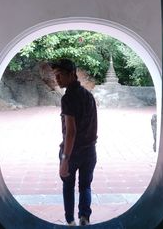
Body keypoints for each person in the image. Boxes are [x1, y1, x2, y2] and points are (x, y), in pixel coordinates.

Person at [50, 58, 98, 226]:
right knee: (85, 186)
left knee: (68, 187)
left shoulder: (68, 98)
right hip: (90, 151)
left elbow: (70, 133)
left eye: (60, 75)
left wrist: (65, 159)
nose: (57, 79)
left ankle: (70, 221)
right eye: (55, 75)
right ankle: (84, 217)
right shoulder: (88, 95)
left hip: (73, 152)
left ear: (72, 74)